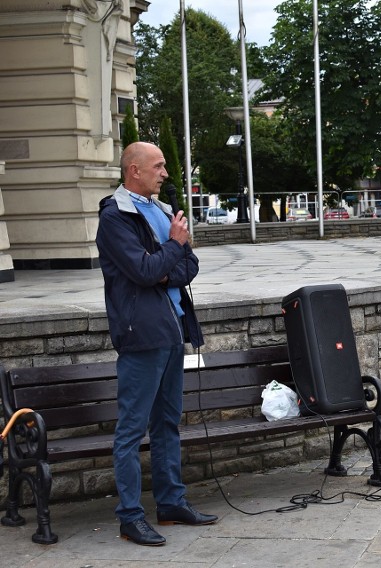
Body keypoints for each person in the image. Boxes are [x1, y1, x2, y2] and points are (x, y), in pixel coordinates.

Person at [96, 142, 217, 547]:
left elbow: (189, 264)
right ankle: (130, 516)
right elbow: (145, 269)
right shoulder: (115, 218)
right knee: (131, 430)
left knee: (167, 424)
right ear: (134, 170)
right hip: (141, 336)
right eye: (159, 166)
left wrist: (168, 262)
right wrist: (171, 252)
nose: (165, 173)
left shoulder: (164, 213)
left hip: (173, 331)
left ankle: (171, 503)